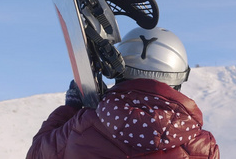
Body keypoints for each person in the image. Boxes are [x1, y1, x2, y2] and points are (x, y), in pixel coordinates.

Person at [26, 27, 220, 159]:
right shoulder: (203, 147)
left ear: (118, 70)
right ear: (178, 80)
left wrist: (70, 108)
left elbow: (36, 154)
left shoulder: (82, 126)